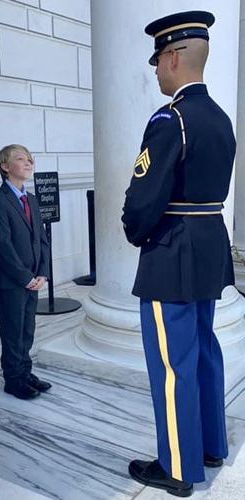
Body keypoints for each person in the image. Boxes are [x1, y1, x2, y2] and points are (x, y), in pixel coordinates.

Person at [122, 11, 236, 497]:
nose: (155, 72)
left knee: (173, 366)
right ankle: (211, 446)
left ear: (172, 57)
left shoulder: (171, 118)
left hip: (172, 254)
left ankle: (178, 468)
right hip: (210, 245)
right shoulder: (220, 117)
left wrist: (132, 229)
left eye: (157, 61)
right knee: (205, 352)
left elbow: (144, 199)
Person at [0, 144, 51, 400]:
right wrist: (25, 277)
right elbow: (2, 245)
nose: (28, 162)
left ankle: (25, 372)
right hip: (12, 281)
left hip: (34, 279)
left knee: (28, 329)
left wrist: (42, 274)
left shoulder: (31, 199)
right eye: (20, 159)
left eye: (30, 159)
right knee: (13, 331)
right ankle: (13, 379)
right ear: (5, 166)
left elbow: (42, 239)